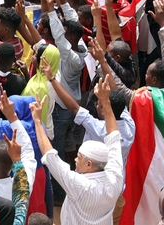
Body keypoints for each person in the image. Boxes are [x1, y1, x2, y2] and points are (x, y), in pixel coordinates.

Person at [31, 75, 123, 225]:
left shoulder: (79, 185)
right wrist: (105, 102)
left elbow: (50, 155)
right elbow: (113, 137)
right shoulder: (115, 178)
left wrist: (37, 121)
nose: (74, 159)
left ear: (89, 164)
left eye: (79, 157)